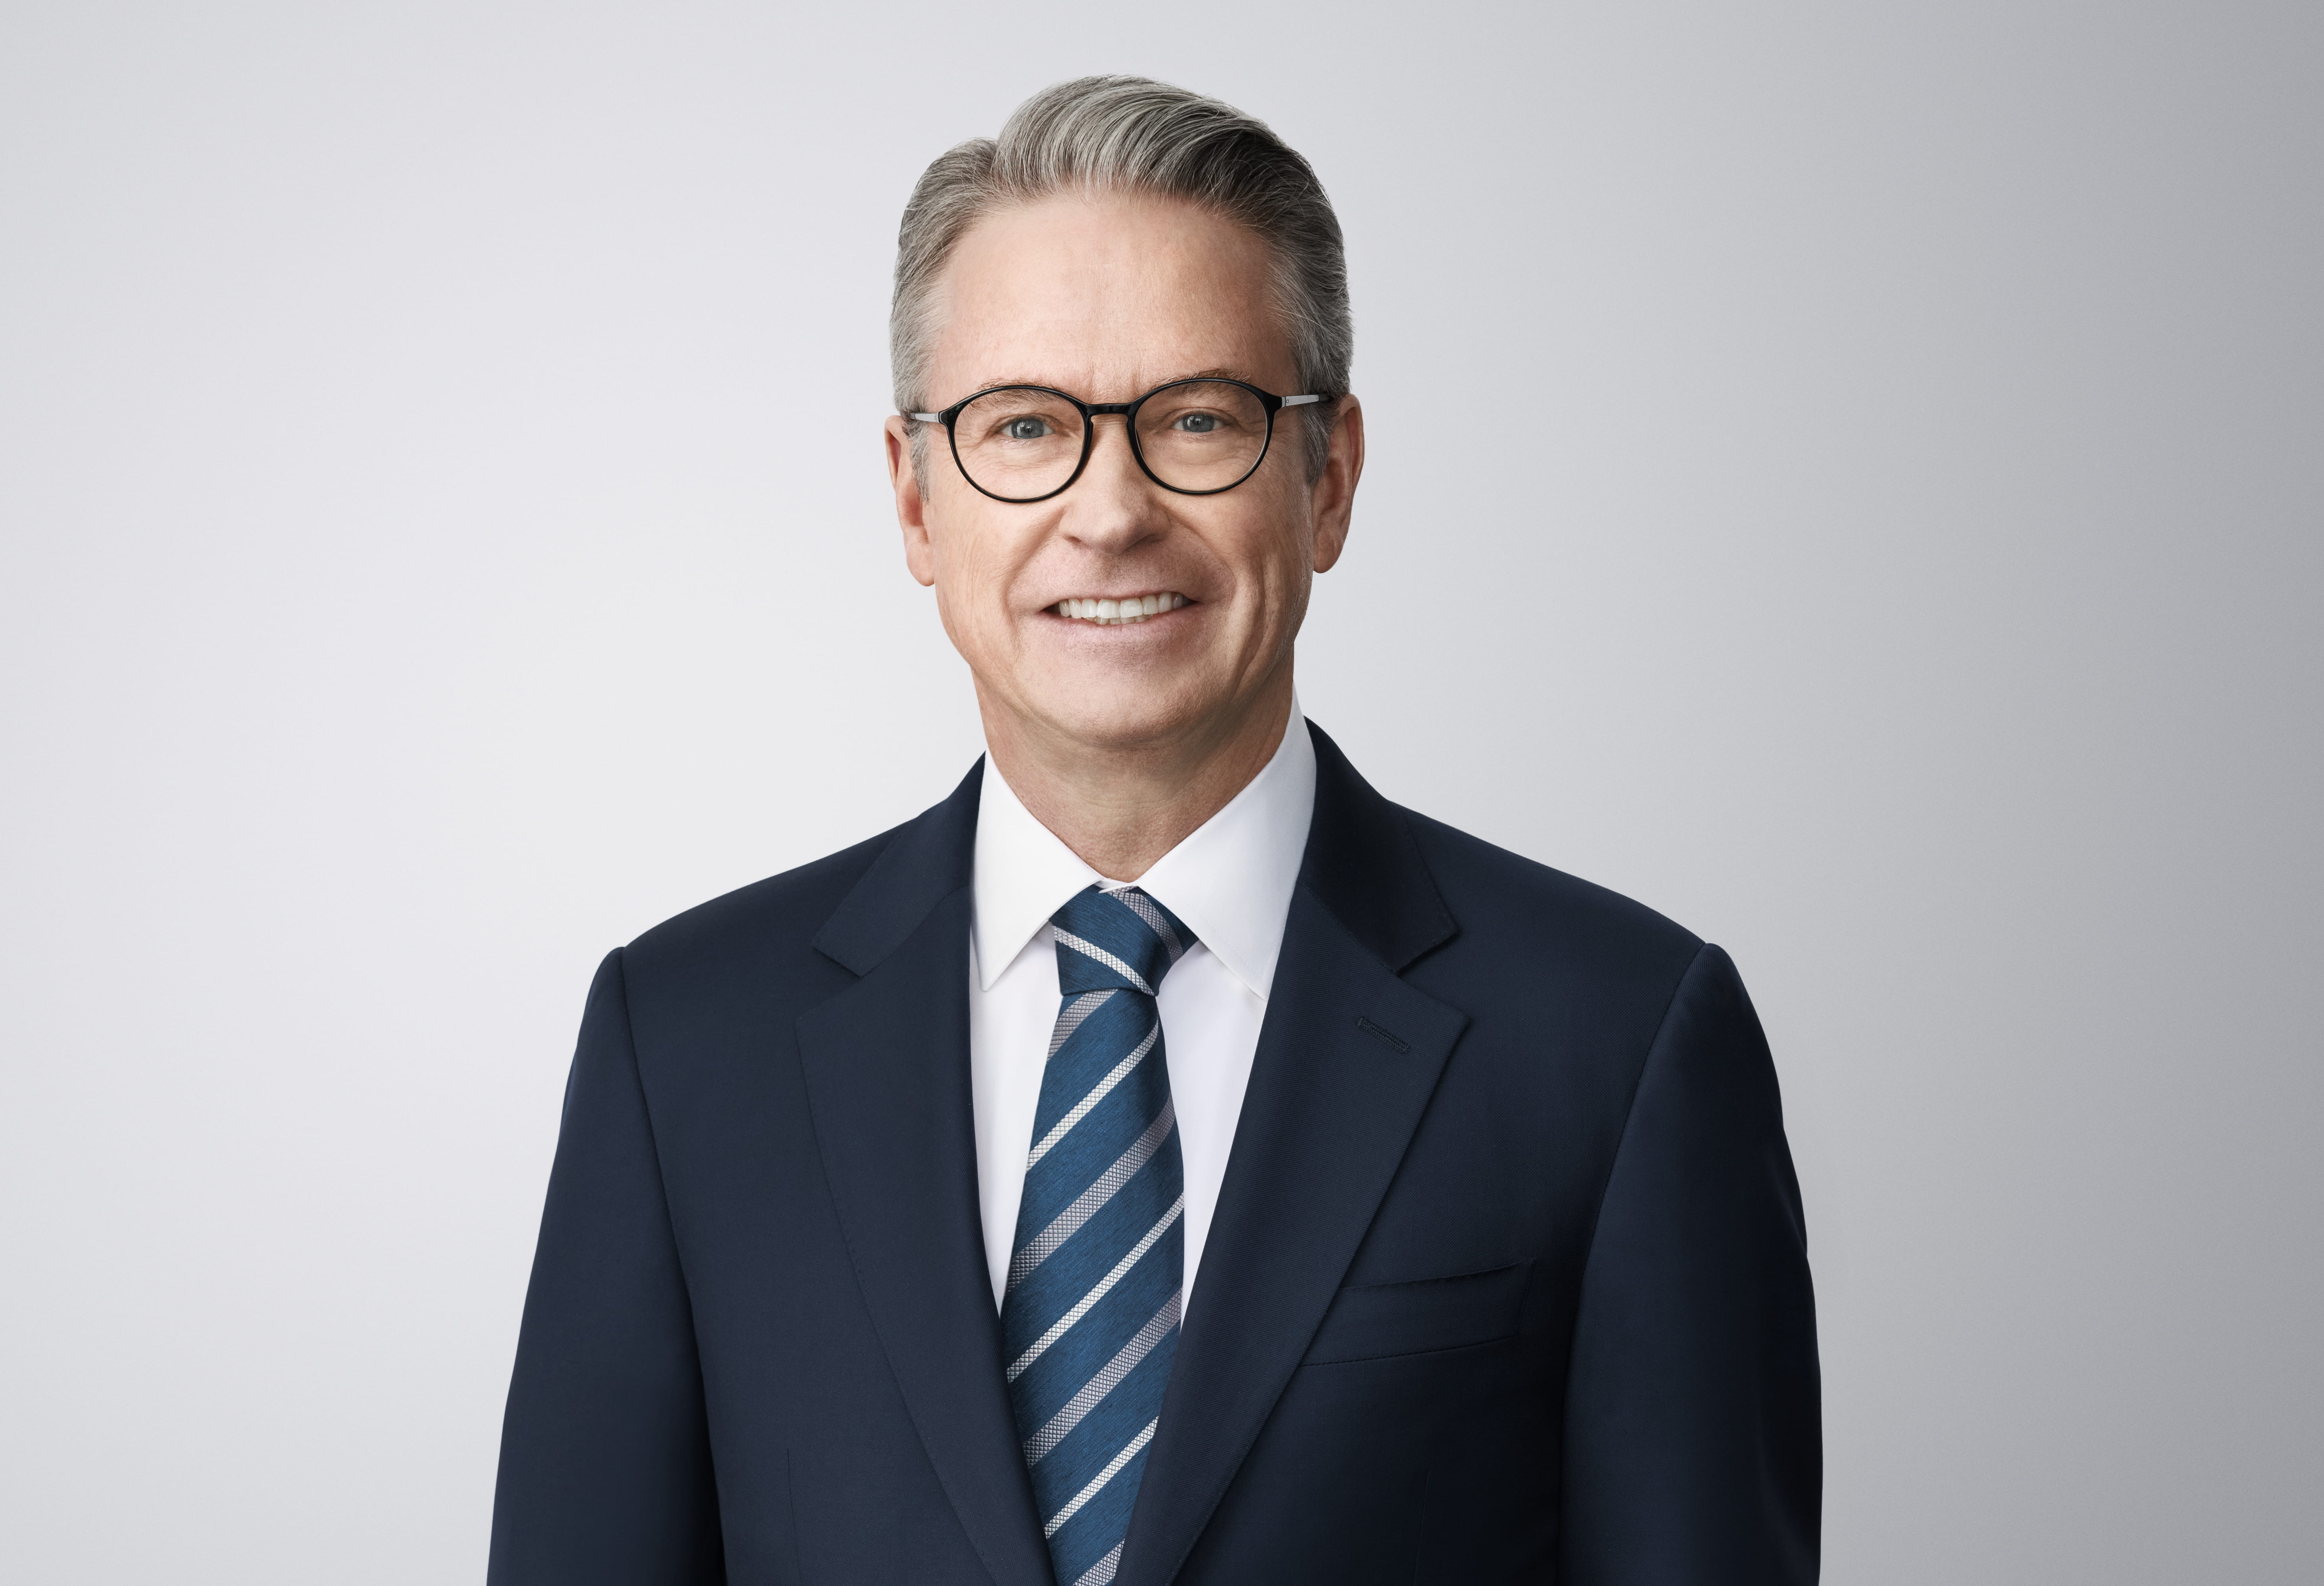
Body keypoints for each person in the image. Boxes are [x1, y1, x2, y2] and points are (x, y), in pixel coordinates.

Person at [489, 75, 1820, 1586]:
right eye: (1023, 426)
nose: (1108, 510)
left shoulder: (1617, 1041)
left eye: (1198, 419)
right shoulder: (684, 1050)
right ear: (917, 503)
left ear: (1330, 479)